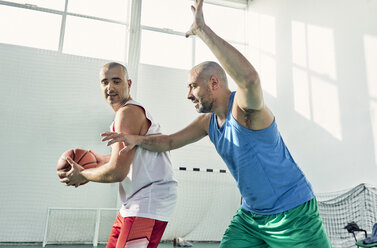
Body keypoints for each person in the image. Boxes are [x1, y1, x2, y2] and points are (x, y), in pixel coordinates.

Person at [101, 1, 332, 247]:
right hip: (251, 218)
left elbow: (250, 79)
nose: (188, 94)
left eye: (193, 86)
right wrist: (137, 139)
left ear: (213, 83)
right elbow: (168, 141)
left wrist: (203, 31)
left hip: (293, 213)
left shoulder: (246, 112)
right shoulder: (207, 122)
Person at [58, 62, 177, 248]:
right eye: (104, 82)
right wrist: (96, 160)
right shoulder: (124, 115)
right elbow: (126, 158)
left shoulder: (128, 113)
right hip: (134, 201)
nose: (110, 87)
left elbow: (117, 172)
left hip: (149, 201)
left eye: (116, 81)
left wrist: (82, 174)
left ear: (129, 84)